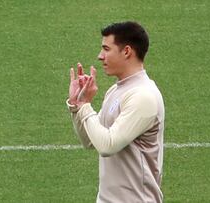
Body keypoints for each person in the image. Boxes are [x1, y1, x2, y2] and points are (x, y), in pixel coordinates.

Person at [66, 21, 165, 203]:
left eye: (106, 49)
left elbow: (107, 146)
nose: (100, 56)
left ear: (127, 51)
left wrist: (86, 105)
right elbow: (90, 141)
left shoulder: (144, 96)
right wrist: (77, 105)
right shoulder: (116, 90)